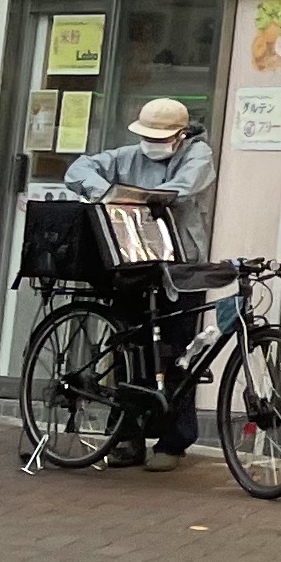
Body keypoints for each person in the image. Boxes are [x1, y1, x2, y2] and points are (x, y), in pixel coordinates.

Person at [63, 97, 216, 462]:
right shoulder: (127, 156)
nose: (152, 143)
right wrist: (105, 192)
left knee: (177, 354)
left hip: (180, 266)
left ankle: (174, 440)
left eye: (160, 137)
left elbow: (182, 188)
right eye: (147, 136)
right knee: (128, 348)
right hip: (133, 261)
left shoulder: (198, 155)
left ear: (181, 135)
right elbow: (79, 169)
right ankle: (126, 435)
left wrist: (134, 198)